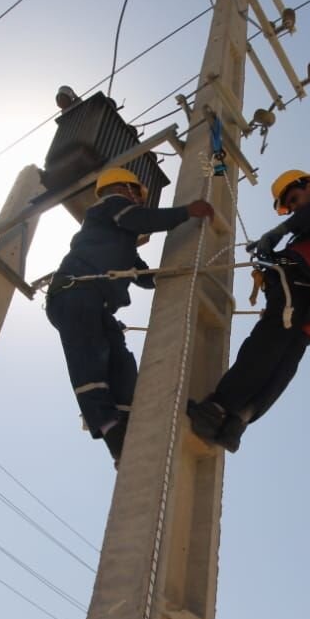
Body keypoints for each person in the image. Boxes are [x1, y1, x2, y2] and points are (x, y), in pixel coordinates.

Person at [46, 167, 214, 464]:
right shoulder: (110, 205)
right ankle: (110, 429)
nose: (138, 199)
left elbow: (138, 272)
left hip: (94, 301)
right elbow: (141, 219)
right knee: (90, 358)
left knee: (121, 362)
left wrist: (169, 276)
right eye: (137, 193)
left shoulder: (115, 236)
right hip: (76, 293)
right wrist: (188, 211)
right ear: (125, 188)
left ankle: (125, 426)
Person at [187, 169, 310, 452]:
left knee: (271, 336)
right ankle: (238, 420)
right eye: (289, 206)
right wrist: (269, 265)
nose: (294, 207)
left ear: (309, 185)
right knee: (289, 352)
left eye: (294, 198)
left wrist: (279, 234)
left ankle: (218, 408)